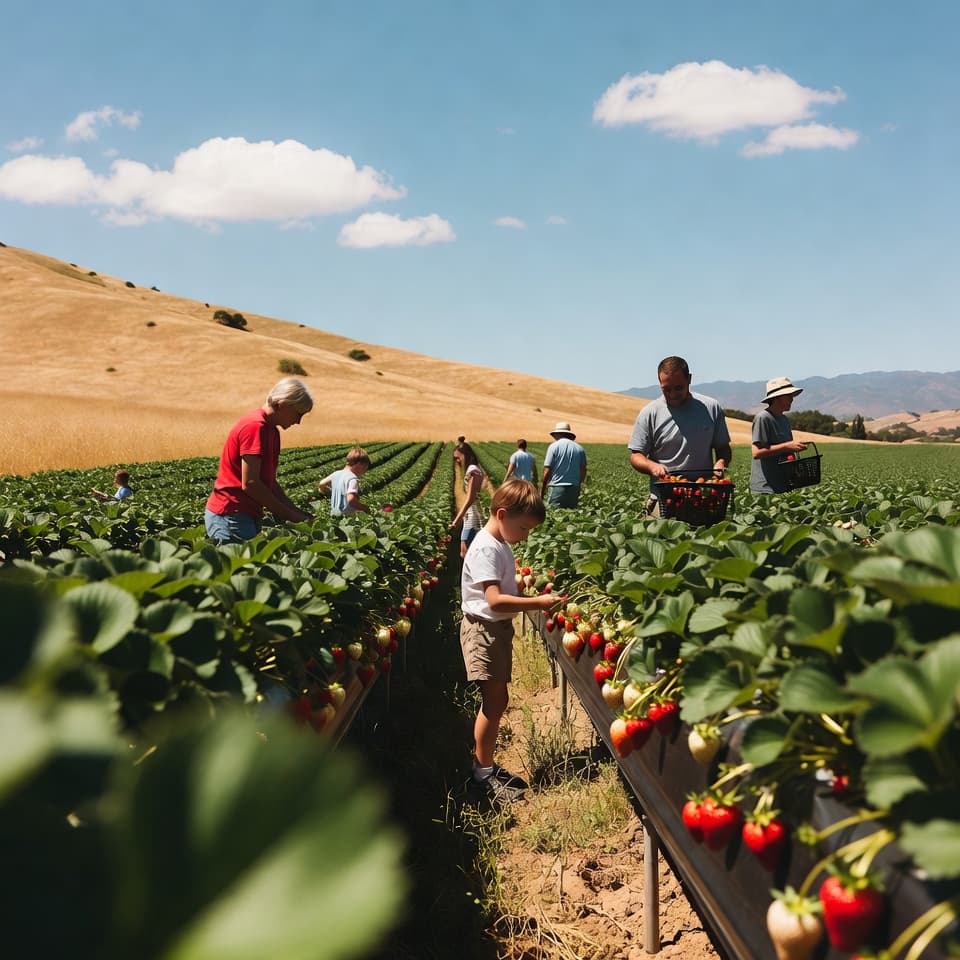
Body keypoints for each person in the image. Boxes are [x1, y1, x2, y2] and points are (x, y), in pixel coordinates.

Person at [460, 479, 557, 802]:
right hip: (483, 631)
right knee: (493, 703)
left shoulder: (499, 543)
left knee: (498, 701)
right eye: (524, 528)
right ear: (502, 514)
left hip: (494, 631)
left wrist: (528, 594)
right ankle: (482, 776)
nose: (526, 535)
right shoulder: (487, 547)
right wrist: (538, 604)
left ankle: (485, 765)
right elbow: (495, 601)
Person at [204, 378, 314, 544]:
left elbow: (268, 482)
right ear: (283, 404)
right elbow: (251, 483)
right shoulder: (255, 426)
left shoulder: (272, 431)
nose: (298, 421)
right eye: (298, 414)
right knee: (243, 568)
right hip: (230, 514)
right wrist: (289, 515)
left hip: (246, 513)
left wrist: (296, 511)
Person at [628, 356, 732, 515]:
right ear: (659, 383)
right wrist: (652, 466)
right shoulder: (650, 413)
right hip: (664, 499)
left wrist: (721, 462)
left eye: (678, 387)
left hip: (703, 497)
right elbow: (636, 456)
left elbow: (723, 448)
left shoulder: (711, 408)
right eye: (666, 389)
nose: (673, 394)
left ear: (689, 379)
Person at [750, 377, 808, 493]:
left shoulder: (784, 420)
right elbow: (756, 453)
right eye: (788, 396)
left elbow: (785, 452)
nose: (792, 399)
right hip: (766, 489)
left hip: (783, 485)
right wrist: (787, 446)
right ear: (776, 398)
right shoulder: (763, 418)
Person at [450, 443, 485, 559]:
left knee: (465, 552)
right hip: (472, 514)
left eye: (458, 457)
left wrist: (456, 520)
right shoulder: (475, 469)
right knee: (469, 551)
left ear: (466, 455)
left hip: (473, 515)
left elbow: (470, 498)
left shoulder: (472, 470)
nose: (457, 461)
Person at [541, 422, 587, 508]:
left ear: (558, 434)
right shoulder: (580, 448)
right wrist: (577, 484)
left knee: (553, 514)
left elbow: (547, 471)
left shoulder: (553, 446)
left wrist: (543, 490)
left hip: (556, 487)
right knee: (572, 515)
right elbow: (583, 470)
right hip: (574, 488)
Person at [318, 446, 372, 515]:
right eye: (365, 467)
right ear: (359, 464)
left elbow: (321, 484)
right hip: (346, 517)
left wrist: (329, 492)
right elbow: (351, 500)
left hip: (334, 514)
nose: (365, 470)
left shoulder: (336, 473)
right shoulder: (352, 479)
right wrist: (365, 508)